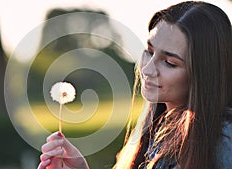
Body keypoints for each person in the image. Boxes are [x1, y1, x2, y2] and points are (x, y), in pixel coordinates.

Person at [37, 1, 232, 169]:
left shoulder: (223, 141)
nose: (147, 69)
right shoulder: (159, 127)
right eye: (149, 51)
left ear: (205, 74)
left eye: (170, 63)